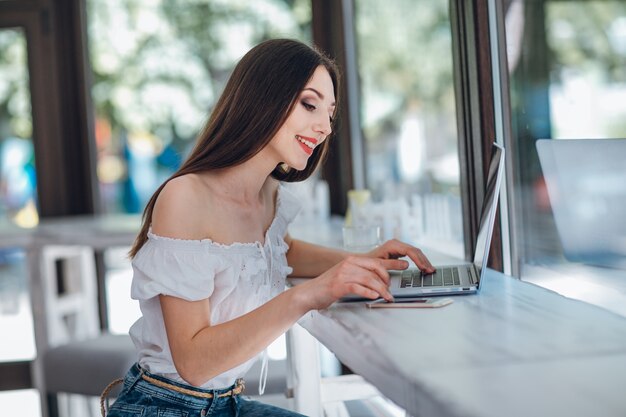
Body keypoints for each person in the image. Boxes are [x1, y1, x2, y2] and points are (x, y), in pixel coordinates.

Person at [102, 38, 435, 417]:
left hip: (226, 403)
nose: (324, 127)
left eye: (329, 113)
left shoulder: (268, 195)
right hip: (165, 406)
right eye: (309, 104)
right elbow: (193, 364)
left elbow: (278, 250)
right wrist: (309, 294)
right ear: (262, 99)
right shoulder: (185, 197)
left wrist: (359, 261)